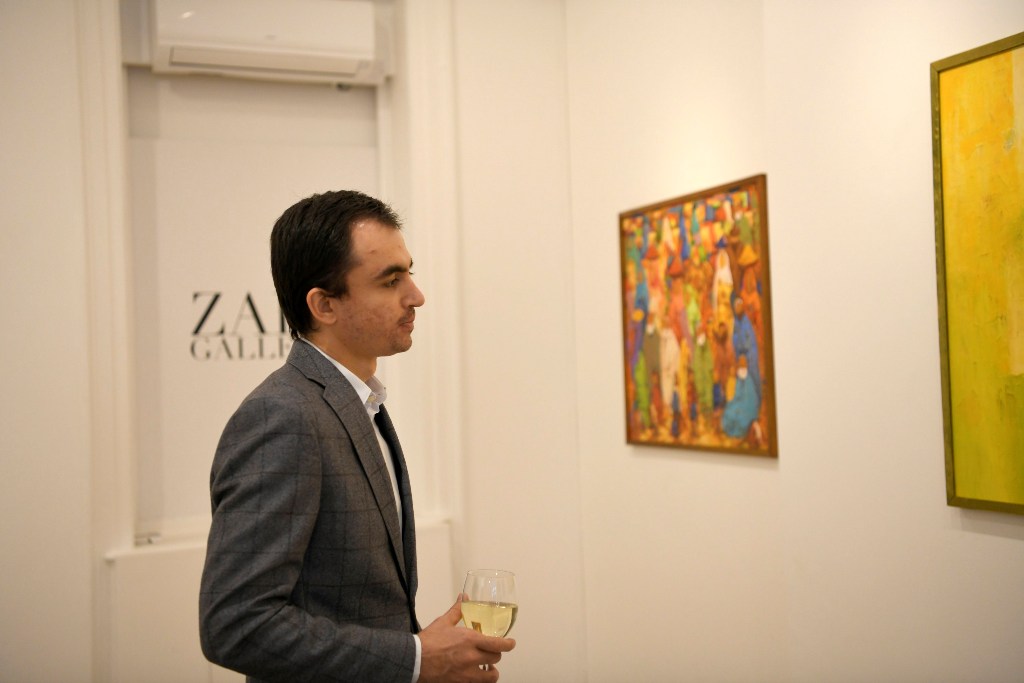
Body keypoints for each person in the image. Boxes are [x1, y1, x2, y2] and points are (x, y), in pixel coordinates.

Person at [199, 190, 515, 682]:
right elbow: (236, 625)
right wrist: (415, 659)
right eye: (390, 280)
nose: (416, 296)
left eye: (409, 272)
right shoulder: (281, 416)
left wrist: (415, 646)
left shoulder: (359, 401)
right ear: (324, 305)